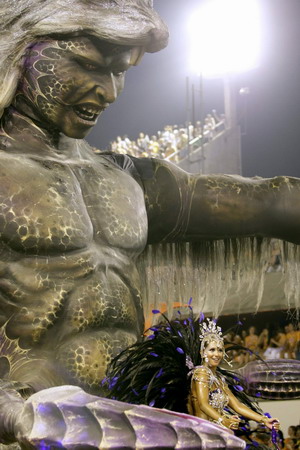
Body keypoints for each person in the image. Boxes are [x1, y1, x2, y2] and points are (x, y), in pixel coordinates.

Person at [0, 0, 300, 446]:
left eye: (121, 71)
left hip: (136, 426)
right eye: (87, 64)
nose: (110, 90)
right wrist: (14, 416)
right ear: (19, 49)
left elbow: (273, 201)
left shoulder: (130, 180)